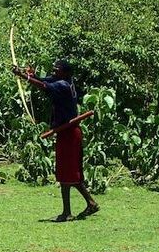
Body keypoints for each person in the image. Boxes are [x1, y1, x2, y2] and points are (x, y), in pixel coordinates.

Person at [12, 59, 100, 222]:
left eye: (56, 69)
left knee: (68, 173)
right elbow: (44, 80)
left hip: (70, 133)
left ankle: (76, 208)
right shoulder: (62, 80)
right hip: (65, 132)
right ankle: (82, 206)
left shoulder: (63, 85)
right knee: (66, 173)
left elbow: (44, 86)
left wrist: (24, 76)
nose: (53, 71)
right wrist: (30, 75)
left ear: (65, 72)